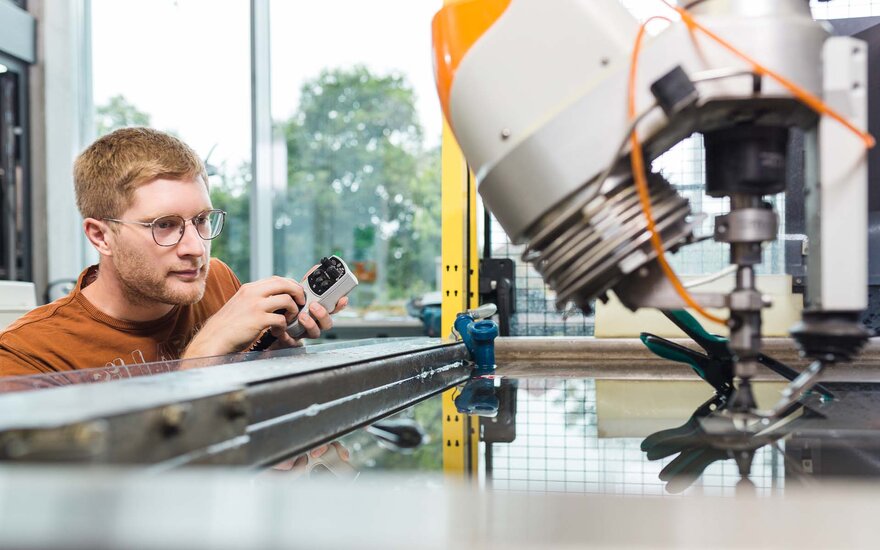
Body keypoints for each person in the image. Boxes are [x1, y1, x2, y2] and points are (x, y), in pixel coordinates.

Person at [0, 127, 347, 377]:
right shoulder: (27, 355)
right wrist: (202, 354)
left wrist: (278, 356)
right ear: (100, 236)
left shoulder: (218, 282)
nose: (196, 249)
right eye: (163, 225)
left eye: (201, 220)